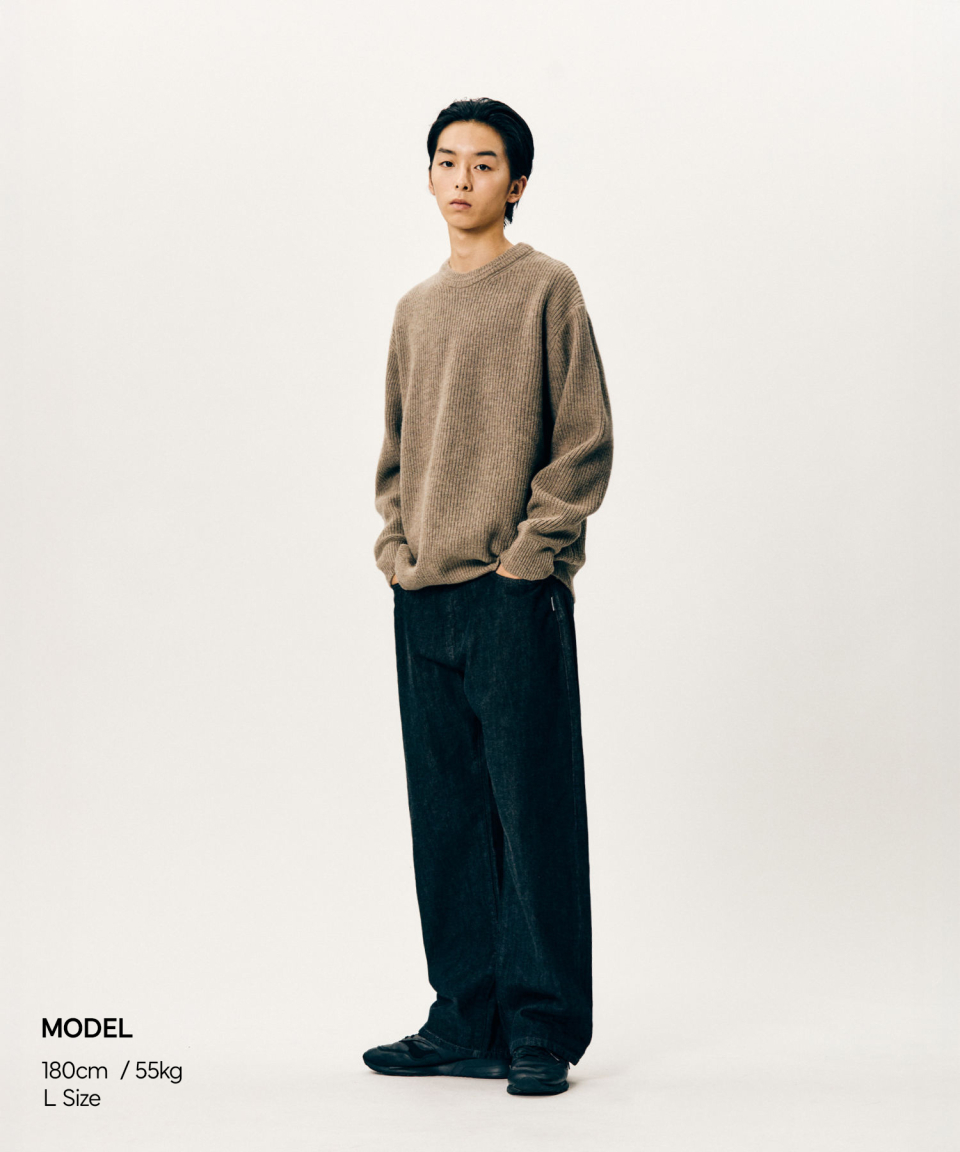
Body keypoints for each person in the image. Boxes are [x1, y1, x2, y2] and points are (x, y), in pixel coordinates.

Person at [366, 96, 614, 1097]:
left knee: (532, 810)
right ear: (429, 176)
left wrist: (531, 555)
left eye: (482, 163)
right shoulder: (414, 310)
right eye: (446, 160)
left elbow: (584, 437)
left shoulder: (547, 288)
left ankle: (541, 1030)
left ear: (517, 183)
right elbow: (396, 450)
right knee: (448, 819)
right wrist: (395, 545)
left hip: (513, 593)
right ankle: (463, 1017)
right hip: (423, 594)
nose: (461, 178)